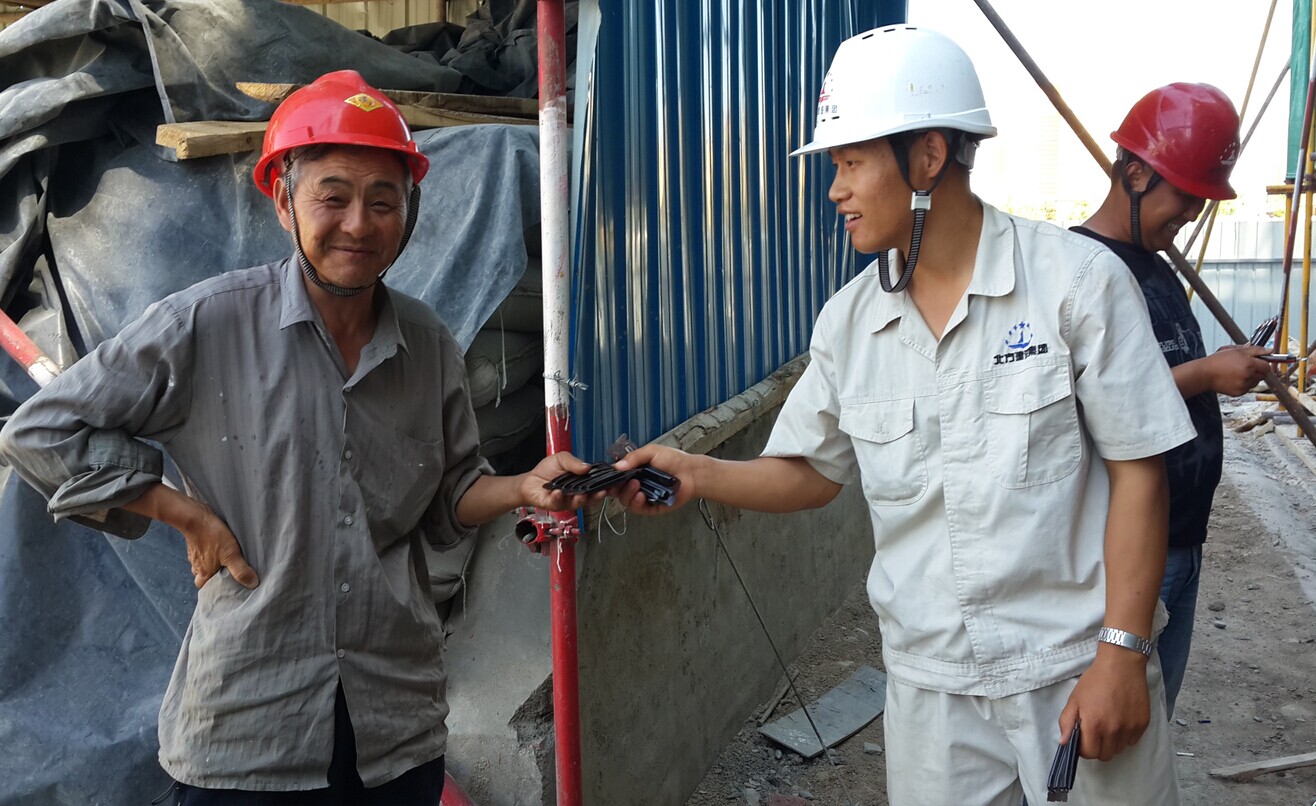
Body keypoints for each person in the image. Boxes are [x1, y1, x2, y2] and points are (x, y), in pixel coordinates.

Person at [612, 26, 1194, 805]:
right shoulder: (849, 323)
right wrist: (694, 472)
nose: (835, 190)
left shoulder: (1075, 283)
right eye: (835, 166)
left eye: (851, 163)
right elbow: (811, 471)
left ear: (927, 157)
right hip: (932, 689)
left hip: (1073, 663)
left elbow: (1140, 472)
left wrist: (1121, 651)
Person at [0, 70, 594, 805]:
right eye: (332, 197)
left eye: (384, 201)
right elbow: (41, 429)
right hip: (251, 727)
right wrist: (184, 514)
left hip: (394, 725)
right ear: (283, 200)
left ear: (410, 211)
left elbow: (450, 494)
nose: (359, 224)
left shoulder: (428, 343)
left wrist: (523, 487)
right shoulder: (206, 324)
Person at [1073, 83, 1270, 719]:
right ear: (1135, 174)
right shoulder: (1079, 272)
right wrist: (1208, 374)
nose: (1191, 211)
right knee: (1111, 729)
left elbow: (1156, 372)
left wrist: (1217, 368)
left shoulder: (1155, 264)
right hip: (1126, 553)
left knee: (1151, 721)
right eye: (1185, 193)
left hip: (1182, 538)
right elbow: (1083, 402)